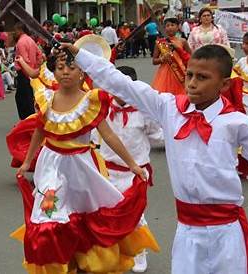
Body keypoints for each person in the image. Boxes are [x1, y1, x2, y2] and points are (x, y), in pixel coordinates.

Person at [62, 41, 248, 274]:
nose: (192, 84)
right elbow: (120, 83)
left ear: (224, 84)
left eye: (203, 78)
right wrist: (80, 55)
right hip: (187, 232)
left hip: (227, 232)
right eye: (190, 75)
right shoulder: (169, 108)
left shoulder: (237, 123)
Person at [15, 53, 155, 273]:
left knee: (87, 219)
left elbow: (109, 136)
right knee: (49, 217)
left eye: (71, 67)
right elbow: (39, 131)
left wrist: (132, 165)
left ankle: (85, 262)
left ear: (82, 72)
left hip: (82, 168)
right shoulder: (46, 100)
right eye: (60, 68)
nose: (65, 72)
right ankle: (60, 264)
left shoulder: (90, 101)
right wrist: (27, 162)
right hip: (52, 169)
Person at [101, 66, 164, 273]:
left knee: (136, 214)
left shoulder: (144, 112)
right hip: (107, 170)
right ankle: (115, 251)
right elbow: (94, 137)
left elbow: (157, 135)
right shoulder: (102, 108)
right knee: (108, 213)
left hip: (136, 172)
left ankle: (139, 251)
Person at [231, 28, 248, 179]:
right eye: (243, 43)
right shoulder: (241, 62)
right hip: (244, 102)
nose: (243, 46)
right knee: (244, 134)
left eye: (247, 43)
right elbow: (233, 79)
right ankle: (246, 168)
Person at [151, 17, 191, 96]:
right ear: (164, 28)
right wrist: (162, 59)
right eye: (167, 25)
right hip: (165, 72)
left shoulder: (182, 41)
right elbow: (154, 61)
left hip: (180, 71)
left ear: (177, 27)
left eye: (172, 25)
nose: (170, 27)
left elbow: (190, 56)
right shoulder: (160, 42)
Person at [14, 22, 43, 119]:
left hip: (24, 72)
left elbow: (24, 60)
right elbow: (40, 54)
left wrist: (28, 71)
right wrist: (36, 67)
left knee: (22, 99)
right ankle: (29, 118)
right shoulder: (30, 40)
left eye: (16, 30)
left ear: (20, 30)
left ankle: (27, 120)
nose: (14, 33)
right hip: (31, 72)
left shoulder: (21, 42)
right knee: (28, 97)